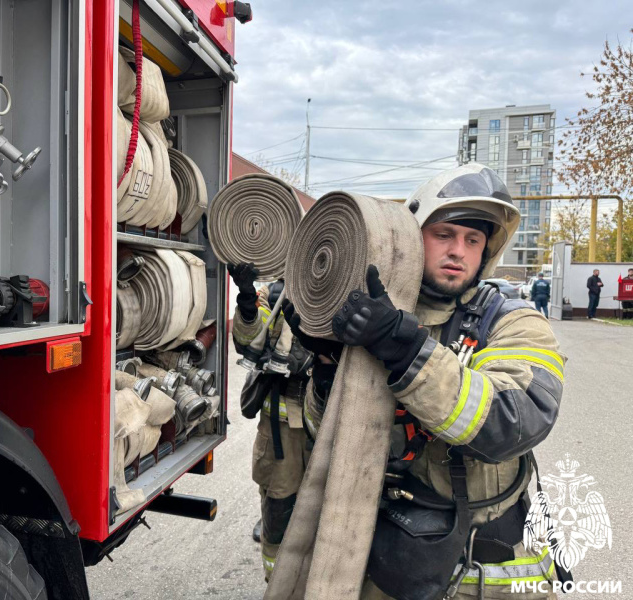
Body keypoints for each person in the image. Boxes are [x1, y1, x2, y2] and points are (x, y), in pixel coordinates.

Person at [285, 164, 565, 599]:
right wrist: (325, 368)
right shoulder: (378, 319)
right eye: (444, 234)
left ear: (486, 250)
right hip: (386, 560)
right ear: (415, 238)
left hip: (484, 570)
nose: (458, 250)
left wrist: (406, 350)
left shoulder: (513, 322)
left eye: (472, 239)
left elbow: (514, 422)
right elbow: (330, 442)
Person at [227, 263, 313, 582]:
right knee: (279, 505)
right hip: (281, 428)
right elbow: (248, 340)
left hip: (331, 421)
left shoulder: (343, 286)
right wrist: (247, 300)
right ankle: (277, 583)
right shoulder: (273, 292)